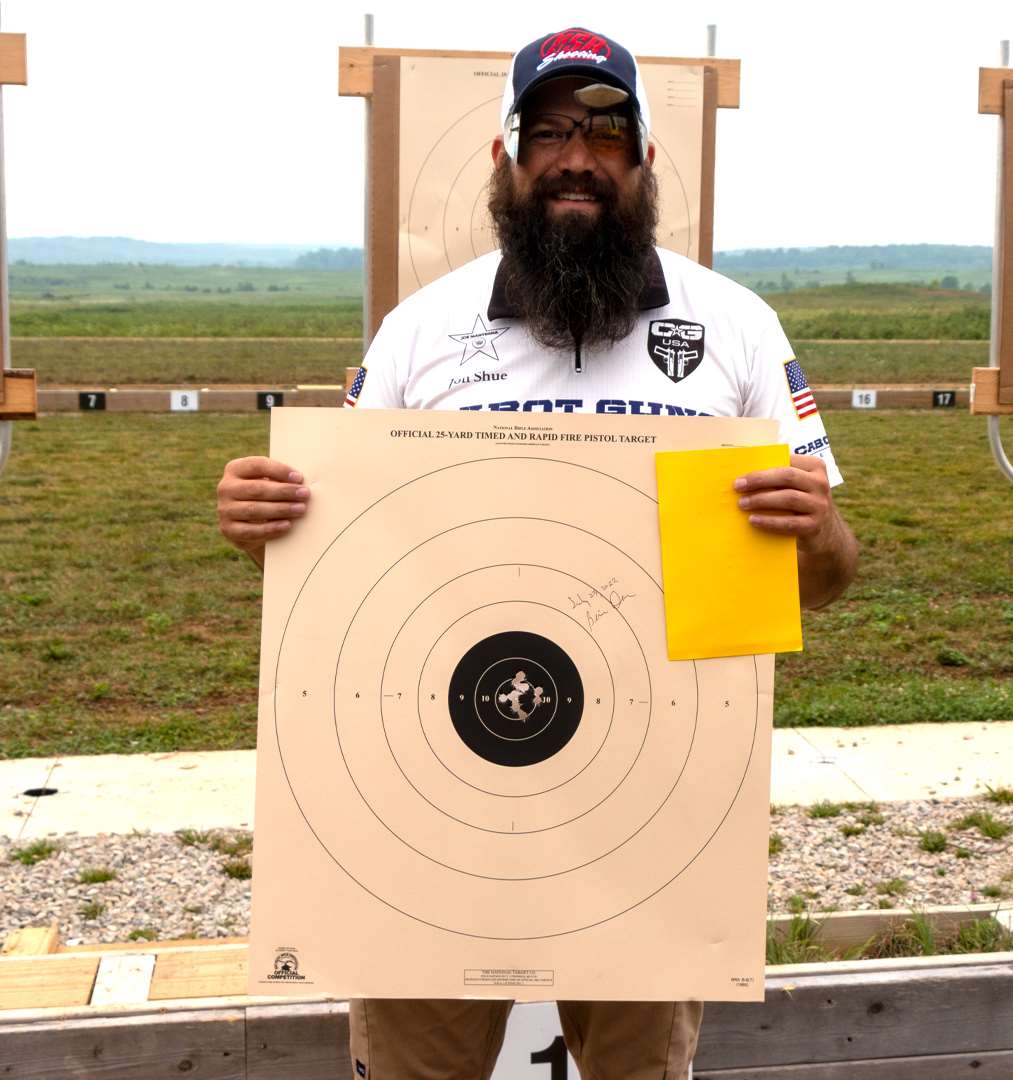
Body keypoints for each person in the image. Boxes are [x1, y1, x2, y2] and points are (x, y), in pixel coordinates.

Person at [216, 26, 858, 1079]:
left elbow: (823, 579)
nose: (576, 157)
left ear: (645, 159)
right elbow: (340, 574)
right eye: (548, 131)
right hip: (433, 782)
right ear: (507, 160)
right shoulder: (419, 334)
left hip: (651, 798)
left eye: (606, 134)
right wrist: (267, 524)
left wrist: (817, 528)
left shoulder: (735, 329)